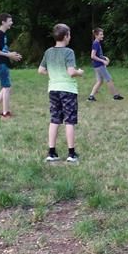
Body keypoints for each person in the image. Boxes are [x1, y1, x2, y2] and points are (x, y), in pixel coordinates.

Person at [38, 23, 84, 163]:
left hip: (53, 89)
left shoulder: (48, 52)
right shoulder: (68, 52)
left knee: (55, 120)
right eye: (69, 35)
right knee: (69, 121)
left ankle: (51, 153)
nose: (70, 37)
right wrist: (79, 72)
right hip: (68, 90)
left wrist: (54, 74)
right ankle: (71, 154)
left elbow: (41, 70)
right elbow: (71, 72)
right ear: (65, 36)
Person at [0, 13, 22, 118]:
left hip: (3, 63)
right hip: (0, 64)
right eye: (10, 21)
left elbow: (2, 50)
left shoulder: (3, 35)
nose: (12, 23)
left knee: (5, 87)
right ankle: (5, 113)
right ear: (3, 22)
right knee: (7, 88)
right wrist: (8, 55)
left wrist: (11, 54)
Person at [88, 28, 123, 102]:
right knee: (109, 79)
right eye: (101, 34)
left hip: (97, 65)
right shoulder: (96, 43)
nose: (102, 36)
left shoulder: (97, 43)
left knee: (100, 81)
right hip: (99, 65)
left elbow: (98, 55)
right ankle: (115, 96)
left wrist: (104, 58)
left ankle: (91, 97)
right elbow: (92, 56)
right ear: (96, 35)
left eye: (102, 34)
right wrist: (103, 61)